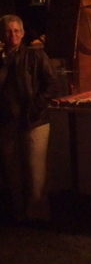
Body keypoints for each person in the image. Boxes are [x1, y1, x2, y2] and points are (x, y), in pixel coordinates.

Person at [0, 14, 58, 223]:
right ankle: (18, 215)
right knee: (13, 173)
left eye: (16, 30)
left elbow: (51, 85)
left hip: (34, 121)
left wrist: (34, 108)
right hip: (7, 122)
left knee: (36, 174)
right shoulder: (1, 59)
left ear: (23, 33)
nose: (13, 35)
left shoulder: (35, 56)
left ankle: (37, 217)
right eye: (8, 31)